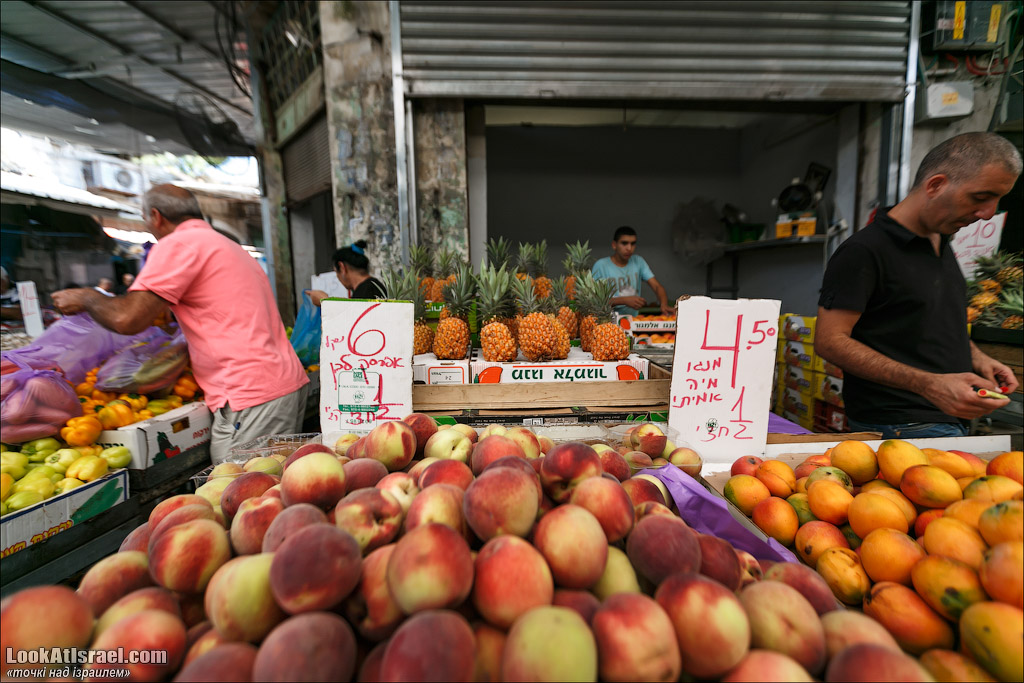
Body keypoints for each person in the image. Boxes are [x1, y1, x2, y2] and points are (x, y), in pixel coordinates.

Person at [51, 184, 309, 463]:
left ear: (155, 216)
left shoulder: (178, 245)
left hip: (250, 394)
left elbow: (126, 319)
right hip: (276, 384)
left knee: (239, 494)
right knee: (263, 492)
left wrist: (89, 298)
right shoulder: (226, 245)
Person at [815, 132, 1021, 439]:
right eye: (980, 197)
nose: (988, 213)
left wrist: (977, 357)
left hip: (948, 418)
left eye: (996, 201)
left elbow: (928, 321)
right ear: (935, 185)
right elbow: (830, 341)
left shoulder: (940, 239)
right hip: (902, 425)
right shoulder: (865, 250)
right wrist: (928, 383)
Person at [590, 226, 673, 317]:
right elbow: (595, 301)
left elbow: (657, 286)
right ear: (614, 245)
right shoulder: (601, 265)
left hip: (633, 322)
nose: (629, 248)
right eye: (624, 243)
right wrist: (624, 300)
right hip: (608, 324)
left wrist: (664, 304)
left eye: (632, 243)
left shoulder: (638, 261)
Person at [307, 240, 385, 305]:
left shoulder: (367, 291)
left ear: (342, 267)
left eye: (336, 272)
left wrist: (325, 301)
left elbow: (355, 320)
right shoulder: (371, 286)